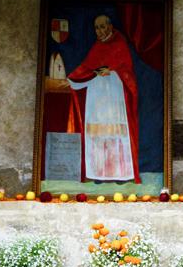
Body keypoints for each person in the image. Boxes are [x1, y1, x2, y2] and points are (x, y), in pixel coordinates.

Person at [56, 15, 141, 183]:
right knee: (97, 134)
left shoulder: (119, 43)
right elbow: (89, 68)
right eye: (97, 27)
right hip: (96, 97)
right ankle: (98, 174)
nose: (100, 31)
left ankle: (120, 174)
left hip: (114, 97)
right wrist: (73, 79)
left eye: (103, 27)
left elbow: (125, 69)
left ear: (110, 26)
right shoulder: (97, 46)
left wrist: (109, 71)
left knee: (115, 134)